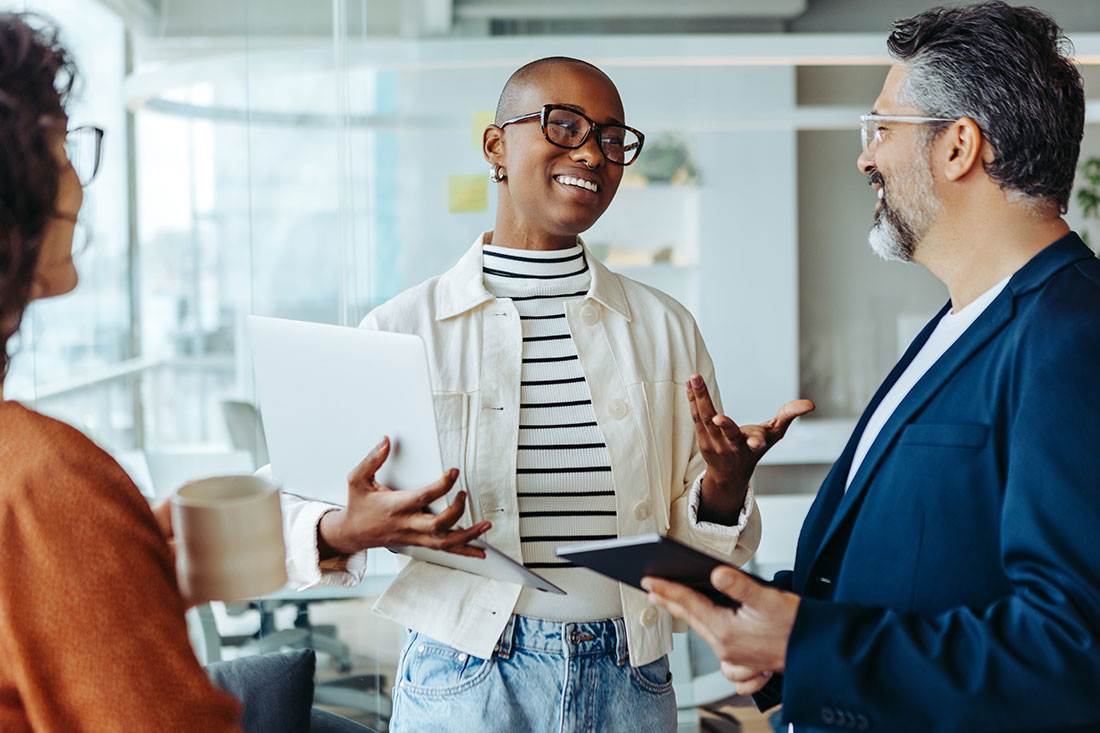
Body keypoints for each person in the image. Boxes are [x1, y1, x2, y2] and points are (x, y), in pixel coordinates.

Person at [280, 56, 811, 732]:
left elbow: (696, 551)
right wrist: (345, 529)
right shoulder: (400, 328)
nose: (591, 151)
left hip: (631, 675)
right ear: (496, 145)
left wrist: (726, 488)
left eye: (613, 138)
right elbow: (290, 499)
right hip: (465, 675)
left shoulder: (664, 326)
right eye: (564, 126)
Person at [643, 3, 1100, 731]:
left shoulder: (1075, 334)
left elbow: (1074, 650)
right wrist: (780, 639)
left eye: (881, 128)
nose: (865, 157)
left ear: (958, 147)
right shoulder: (957, 322)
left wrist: (810, 640)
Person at [0, 13, 458, 733]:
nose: (78, 183)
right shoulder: (41, 482)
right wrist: (97, 549)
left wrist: (126, 571)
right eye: (63, 146)